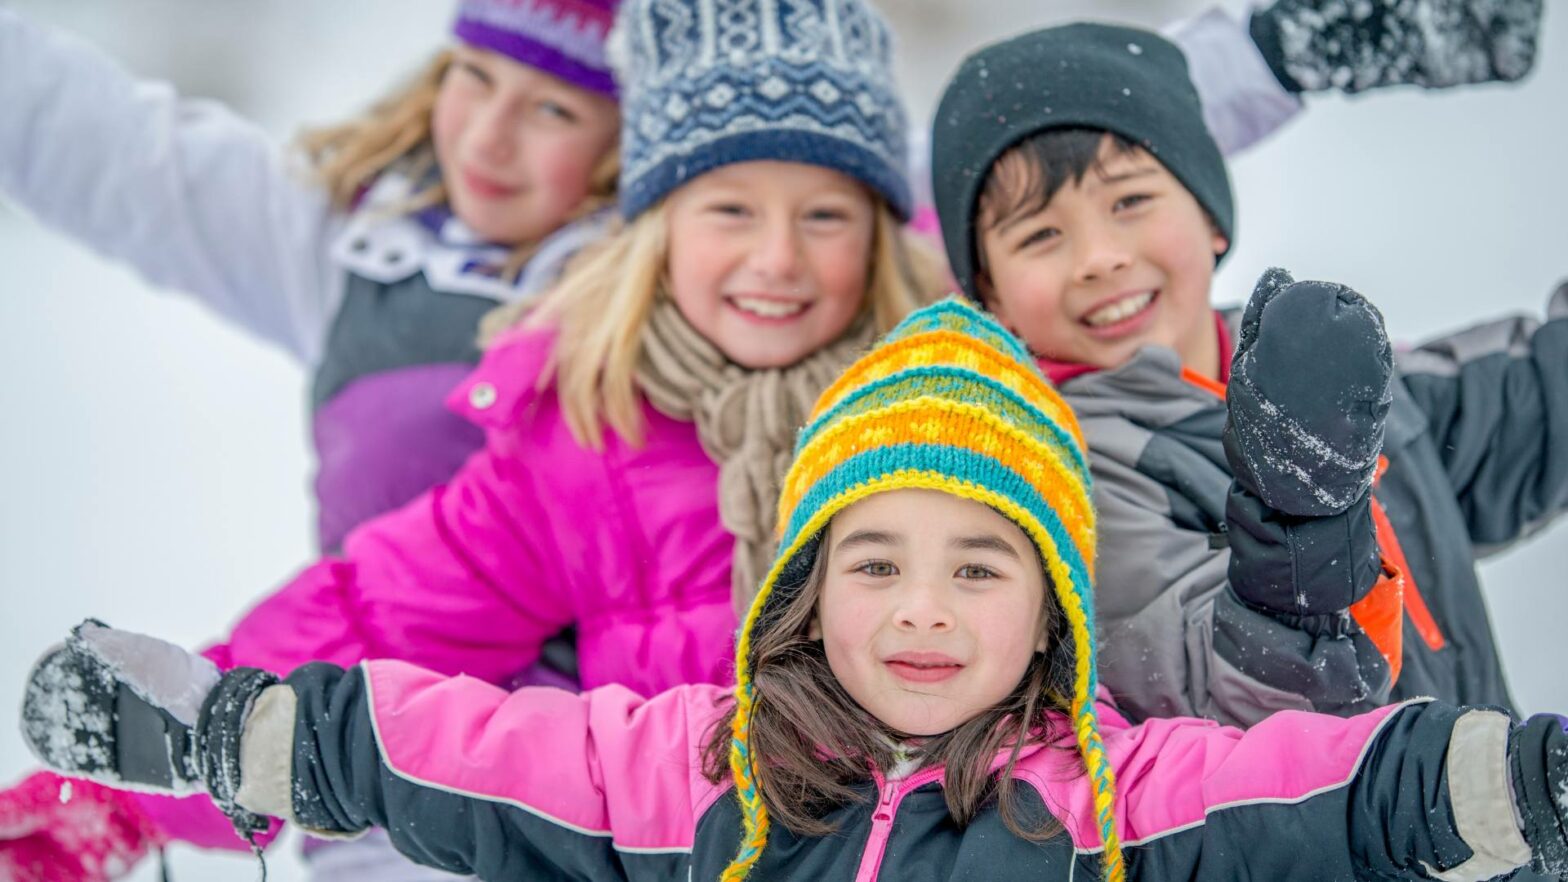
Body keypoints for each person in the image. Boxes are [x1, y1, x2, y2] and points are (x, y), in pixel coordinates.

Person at [19, 298, 1568, 882]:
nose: (923, 609)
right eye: (876, 561)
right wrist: (221, 731)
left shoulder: (1113, 791)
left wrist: (1519, 779)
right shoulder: (706, 769)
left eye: (980, 567)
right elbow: (461, 753)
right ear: (808, 588)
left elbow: (1329, 788)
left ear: (1049, 610)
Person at [928, 19, 1568, 729]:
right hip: (1351, 834)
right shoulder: (1065, 476)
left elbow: (1528, 410)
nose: (1099, 258)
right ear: (988, 296)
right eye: (1041, 235)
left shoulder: (1321, 365)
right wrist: (1303, 519)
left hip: (1495, 815)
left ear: (1210, 217)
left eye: (1131, 202)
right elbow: (1225, 687)